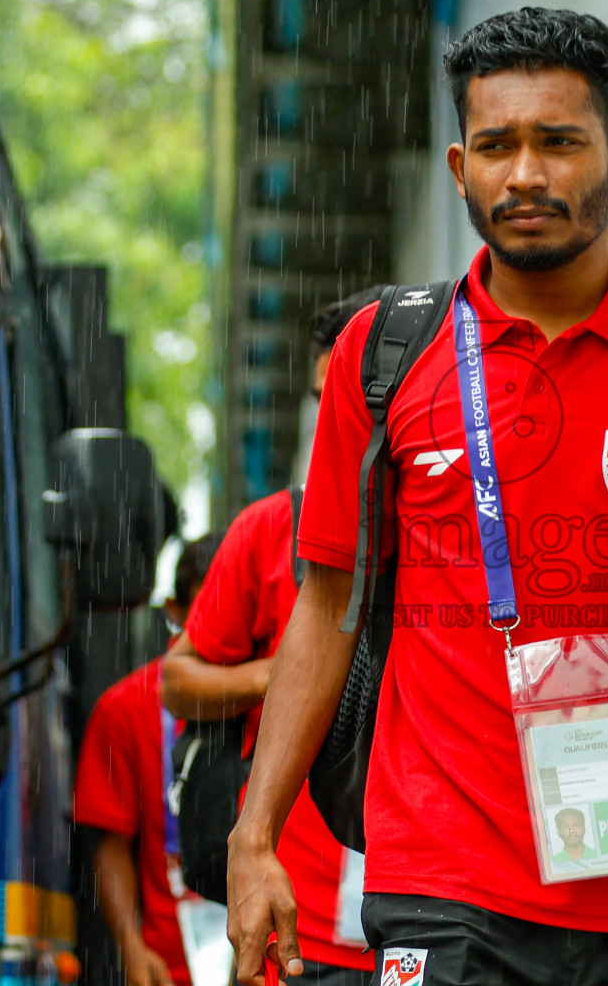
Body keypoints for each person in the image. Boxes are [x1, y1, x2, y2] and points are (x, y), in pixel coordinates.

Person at [226, 6, 608, 986]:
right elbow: (327, 607)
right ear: (459, 165)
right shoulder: (381, 360)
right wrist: (255, 833)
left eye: (560, 142)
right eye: (496, 145)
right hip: (442, 882)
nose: (525, 175)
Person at [160, 287, 383, 986]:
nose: (340, 417)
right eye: (325, 398)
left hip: (442, 922)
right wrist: (287, 674)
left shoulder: (474, 525)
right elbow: (178, 680)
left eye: (361, 395)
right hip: (296, 932)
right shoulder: (268, 532)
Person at [74, 533, 225, 986]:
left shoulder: (289, 693)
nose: (229, 626)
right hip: (172, 968)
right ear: (174, 613)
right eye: (212, 609)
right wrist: (130, 945)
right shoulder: (125, 708)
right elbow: (110, 844)